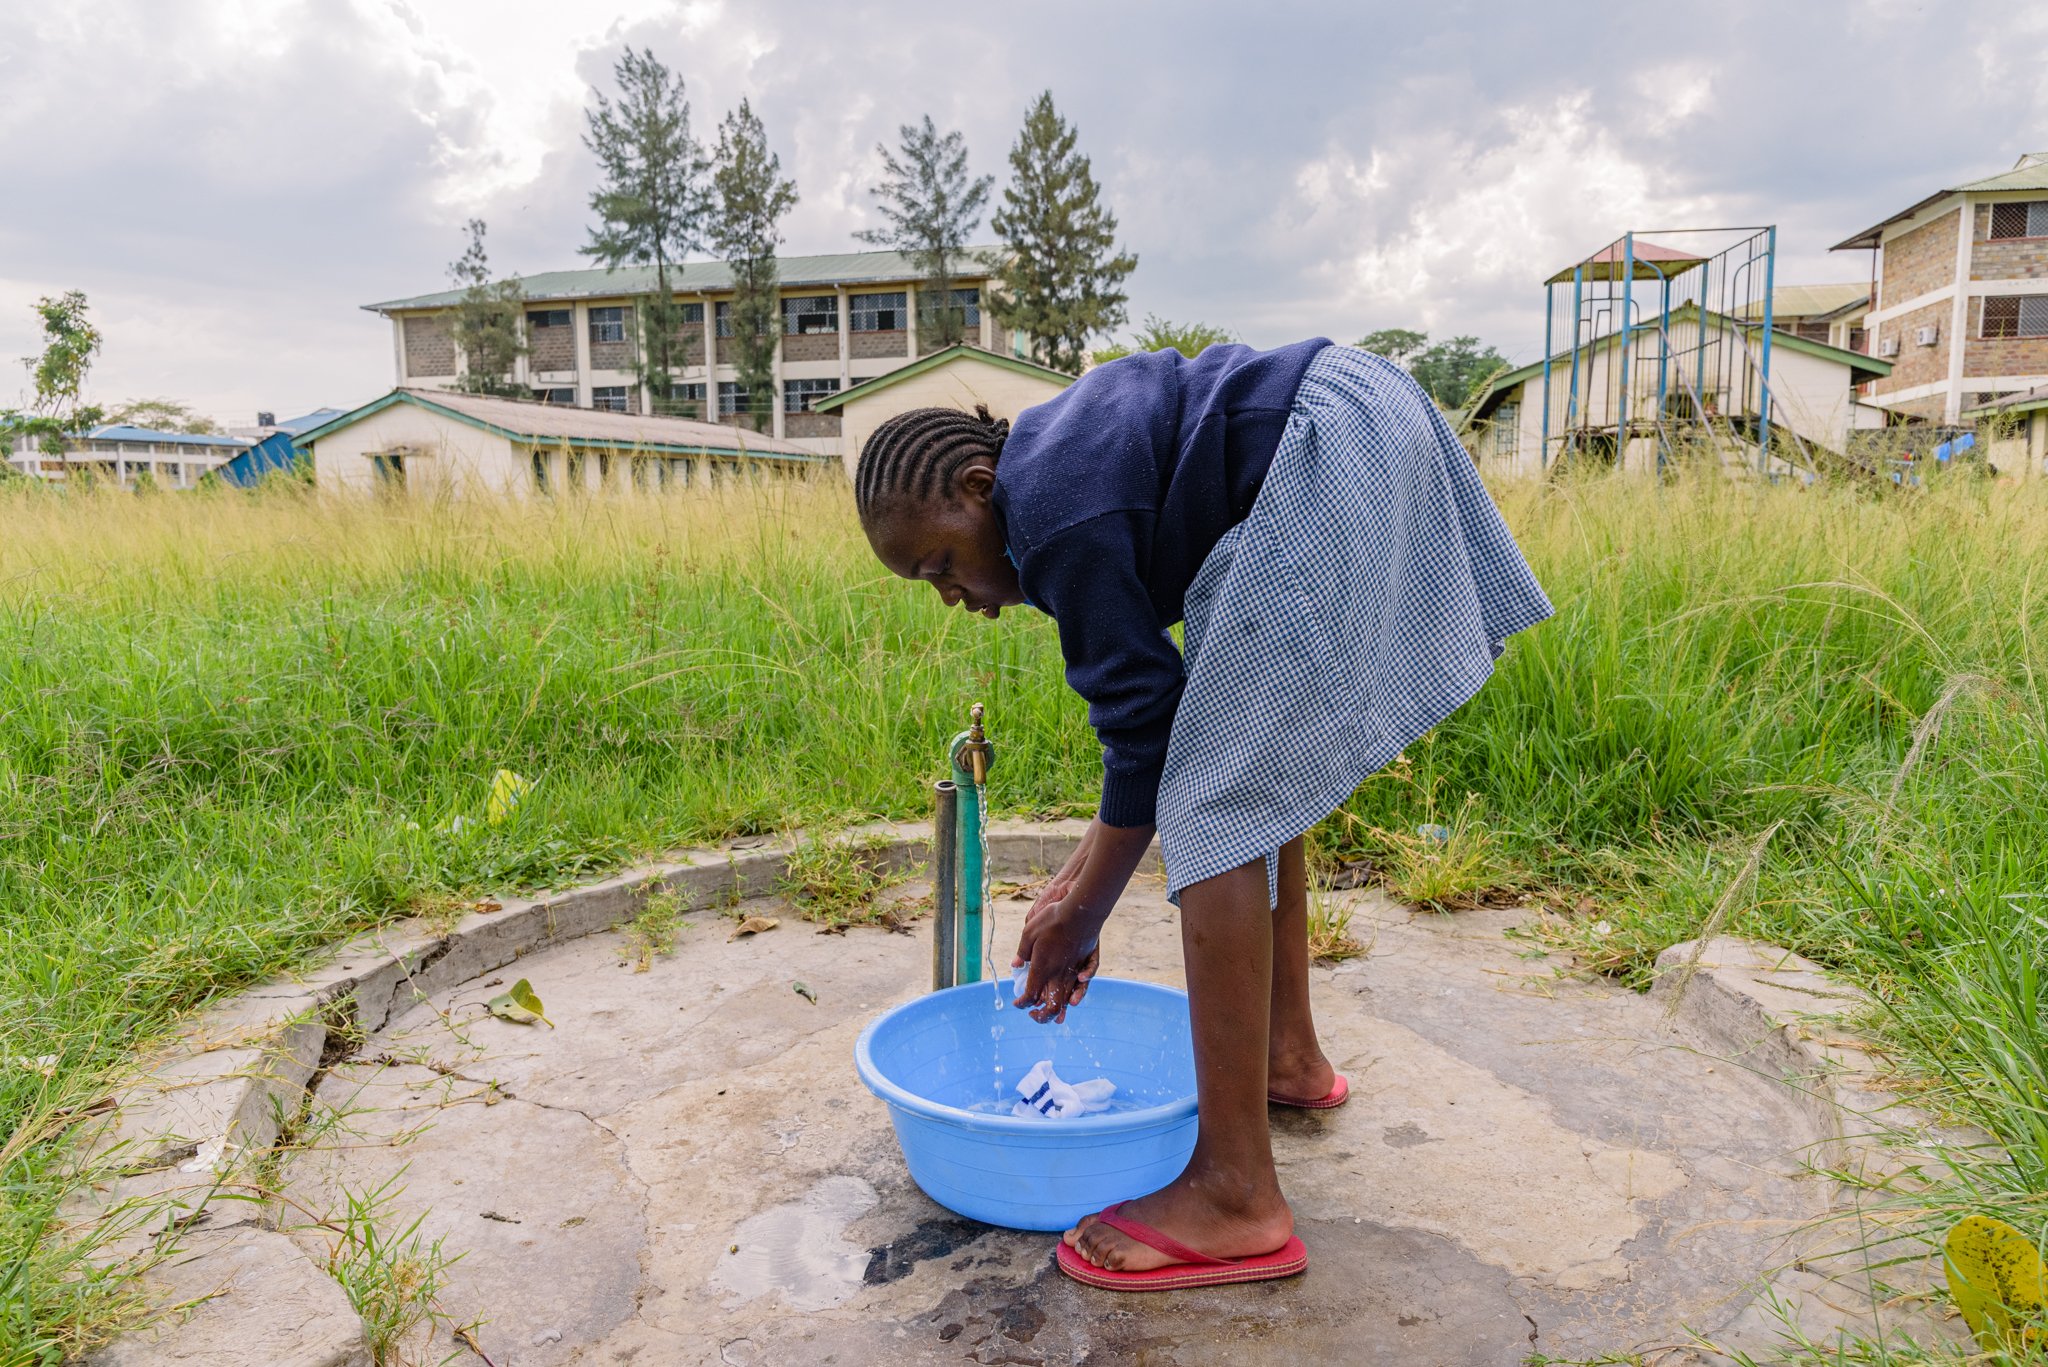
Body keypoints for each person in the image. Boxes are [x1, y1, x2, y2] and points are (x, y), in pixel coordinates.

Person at [852, 339, 1552, 1291]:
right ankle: (1287, 1055)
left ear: (980, 487)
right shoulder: (1058, 462)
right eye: (928, 584)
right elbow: (1159, 724)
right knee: (1252, 765)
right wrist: (1078, 882)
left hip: (1322, 445)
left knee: (1212, 798)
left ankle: (1235, 1194)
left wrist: (1082, 913)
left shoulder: (1054, 515)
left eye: (941, 562)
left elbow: (1145, 733)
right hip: (1352, 412)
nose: (953, 597)